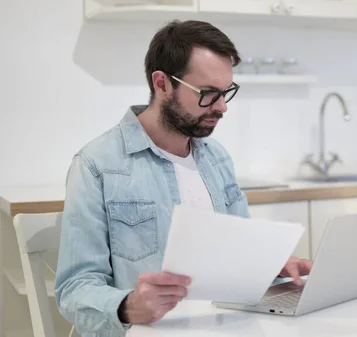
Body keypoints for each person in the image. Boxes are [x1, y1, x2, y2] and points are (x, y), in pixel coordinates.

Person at [54, 19, 312, 337]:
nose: (221, 107)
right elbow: (74, 290)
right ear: (162, 83)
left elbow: (239, 255)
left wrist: (272, 268)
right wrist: (128, 305)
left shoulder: (217, 158)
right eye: (207, 93)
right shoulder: (97, 165)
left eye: (226, 92)